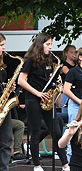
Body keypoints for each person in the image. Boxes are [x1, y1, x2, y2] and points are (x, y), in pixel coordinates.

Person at [17, 32, 69, 171]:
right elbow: (21, 81)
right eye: (48, 44)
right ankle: (37, 165)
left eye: (51, 44)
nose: (50, 47)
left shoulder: (49, 61)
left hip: (47, 100)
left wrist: (57, 84)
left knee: (57, 132)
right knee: (35, 131)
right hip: (33, 99)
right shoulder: (30, 60)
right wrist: (38, 93)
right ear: (40, 45)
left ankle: (65, 164)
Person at [0, 33, 13, 171]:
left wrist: (9, 87)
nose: (4, 48)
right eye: (1, 45)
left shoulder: (3, 63)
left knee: (6, 140)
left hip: (4, 106)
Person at [59, 45, 77, 122]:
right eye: (71, 52)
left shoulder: (76, 65)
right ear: (66, 53)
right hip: (65, 92)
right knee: (66, 115)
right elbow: (70, 74)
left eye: (75, 52)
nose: (74, 54)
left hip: (75, 91)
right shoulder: (63, 65)